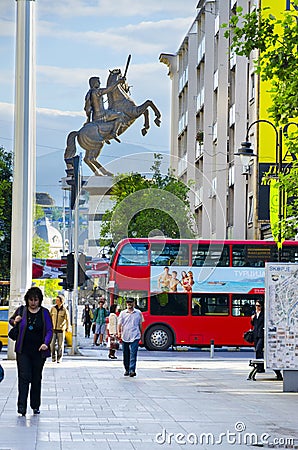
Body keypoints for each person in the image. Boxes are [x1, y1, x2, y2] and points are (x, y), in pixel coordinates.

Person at [9, 286, 53, 416]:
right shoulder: (21, 310)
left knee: (36, 378)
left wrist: (46, 343)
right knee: (23, 377)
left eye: (36, 300)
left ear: (40, 300)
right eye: (31, 300)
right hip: (23, 350)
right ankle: (21, 407)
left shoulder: (44, 313)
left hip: (39, 352)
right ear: (27, 300)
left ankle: (35, 405)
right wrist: (14, 321)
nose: (33, 302)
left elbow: (50, 330)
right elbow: (11, 320)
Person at [84, 75, 126, 143]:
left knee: (113, 112)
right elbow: (109, 89)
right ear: (94, 83)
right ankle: (114, 133)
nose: (100, 83)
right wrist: (118, 82)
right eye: (98, 82)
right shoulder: (96, 92)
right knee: (121, 114)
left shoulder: (89, 93)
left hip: (95, 116)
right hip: (102, 115)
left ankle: (106, 135)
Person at [251, 300, 283, 380]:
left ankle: (275, 371)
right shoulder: (255, 314)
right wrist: (252, 319)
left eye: (259, 306)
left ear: (262, 306)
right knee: (257, 351)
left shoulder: (265, 314)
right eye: (256, 306)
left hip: (263, 335)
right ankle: (260, 368)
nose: (257, 307)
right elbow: (254, 324)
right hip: (256, 335)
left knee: (260, 350)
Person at [117, 299, 143, 377]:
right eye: (128, 303)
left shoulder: (138, 313)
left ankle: (132, 370)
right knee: (126, 353)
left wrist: (141, 334)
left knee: (133, 353)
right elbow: (119, 324)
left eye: (131, 303)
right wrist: (119, 332)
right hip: (125, 335)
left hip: (135, 335)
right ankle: (127, 369)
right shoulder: (123, 313)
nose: (129, 304)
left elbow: (140, 324)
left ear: (134, 303)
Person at [50, 294, 71, 363]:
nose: (56, 301)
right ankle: (53, 357)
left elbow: (67, 319)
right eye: (56, 300)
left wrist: (68, 327)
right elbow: (49, 318)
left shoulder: (64, 310)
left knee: (60, 345)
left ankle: (59, 358)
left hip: (61, 330)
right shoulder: (53, 309)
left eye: (58, 300)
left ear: (61, 301)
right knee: (52, 344)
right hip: (53, 329)